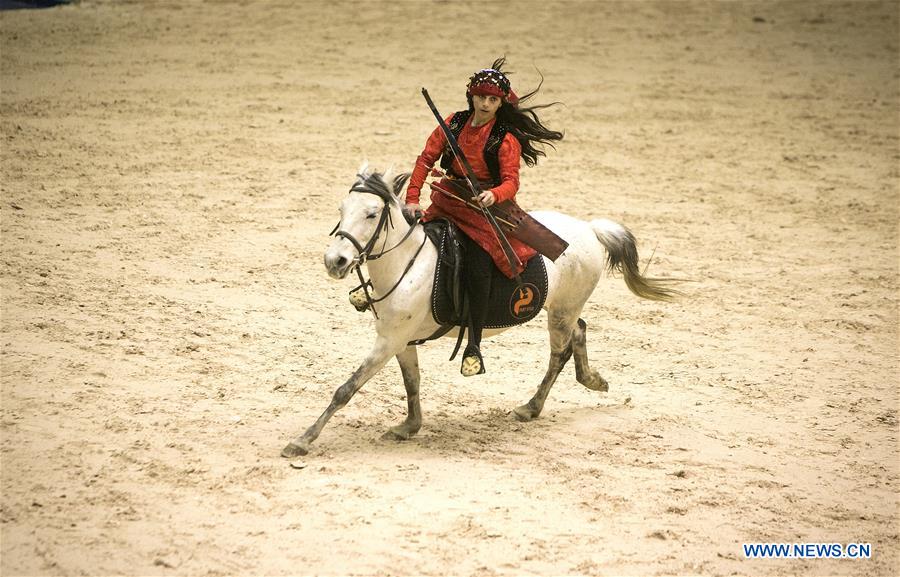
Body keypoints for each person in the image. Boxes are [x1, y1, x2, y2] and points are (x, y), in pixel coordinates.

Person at [406, 57, 563, 377]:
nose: (486, 104)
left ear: (500, 102)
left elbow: (511, 181)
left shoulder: (504, 139)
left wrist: (494, 195)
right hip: (448, 199)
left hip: (484, 210)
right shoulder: (453, 123)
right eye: (481, 97)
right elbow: (425, 159)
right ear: (472, 97)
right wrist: (412, 199)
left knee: (478, 265)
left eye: (493, 99)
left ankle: (473, 344)